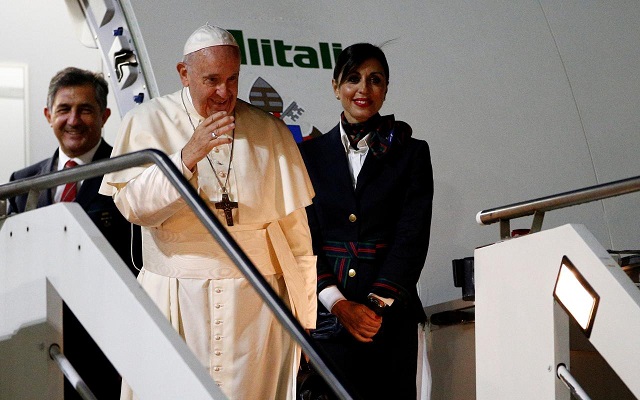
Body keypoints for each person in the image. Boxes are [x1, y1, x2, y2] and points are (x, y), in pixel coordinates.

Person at [99, 24, 317, 400]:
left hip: (258, 306)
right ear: (184, 74)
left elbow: (295, 232)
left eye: (232, 79)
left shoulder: (270, 130)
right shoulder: (147, 121)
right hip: (175, 296)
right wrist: (186, 158)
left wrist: (305, 313)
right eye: (212, 80)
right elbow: (133, 208)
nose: (224, 93)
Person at [298, 43, 434, 399]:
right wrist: (338, 304)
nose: (364, 89)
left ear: (386, 89)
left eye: (375, 80)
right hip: (328, 318)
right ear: (335, 86)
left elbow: (412, 236)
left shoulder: (412, 153)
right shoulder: (307, 155)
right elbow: (304, 238)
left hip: (388, 320)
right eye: (353, 79)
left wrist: (373, 307)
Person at [7, 66, 141, 399]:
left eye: (85, 109)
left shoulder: (126, 172)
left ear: (105, 115)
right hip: (36, 335)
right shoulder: (22, 181)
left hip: (107, 344)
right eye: (64, 109)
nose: (74, 119)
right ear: (48, 114)